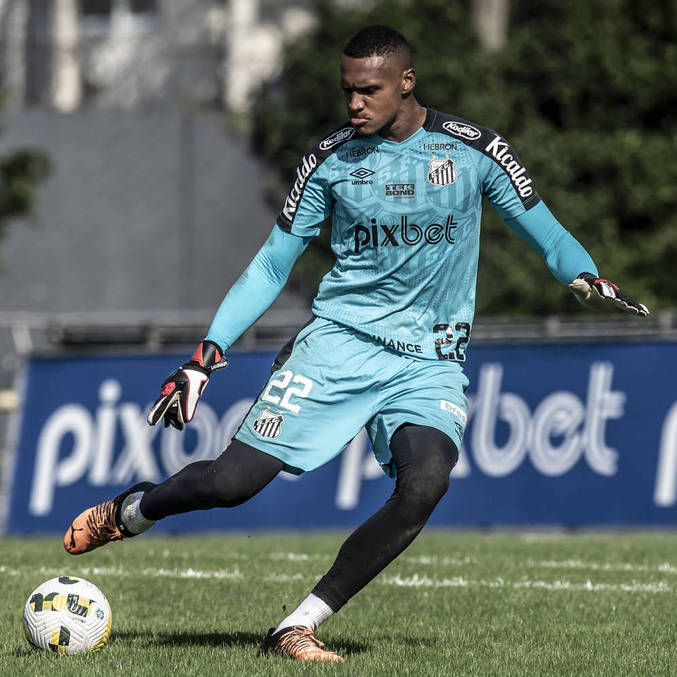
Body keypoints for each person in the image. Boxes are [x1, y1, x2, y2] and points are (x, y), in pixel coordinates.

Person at [63, 25, 649, 663]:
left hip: (429, 361)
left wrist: (583, 272)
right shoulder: (328, 161)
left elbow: (549, 233)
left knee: (426, 483)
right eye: (347, 91)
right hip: (339, 346)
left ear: (407, 83)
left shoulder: (475, 150)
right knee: (230, 484)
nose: (354, 104)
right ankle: (135, 509)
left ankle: (297, 626)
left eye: (368, 91)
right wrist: (206, 354)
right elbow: (269, 267)